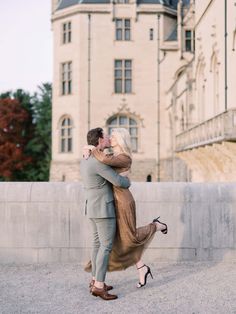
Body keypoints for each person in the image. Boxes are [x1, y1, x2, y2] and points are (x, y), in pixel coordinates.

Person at [84, 128, 168, 288]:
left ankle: (156, 226)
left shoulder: (123, 158)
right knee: (120, 240)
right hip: (111, 202)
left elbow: (103, 162)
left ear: (120, 140)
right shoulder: (113, 155)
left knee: (131, 236)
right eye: (108, 137)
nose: (109, 139)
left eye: (113, 137)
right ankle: (141, 268)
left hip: (123, 200)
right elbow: (103, 164)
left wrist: (90, 148)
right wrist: (88, 148)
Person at [80, 127, 130, 301]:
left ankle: (94, 280)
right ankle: (99, 286)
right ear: (100, 141)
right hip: (103, 209)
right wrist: (128, 179)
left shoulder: (86, 158)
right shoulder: (97, 162)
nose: (108, 139)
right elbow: (118, 181)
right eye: (106, 137)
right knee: (106, 246)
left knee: (96, 245)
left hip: (91, 207)